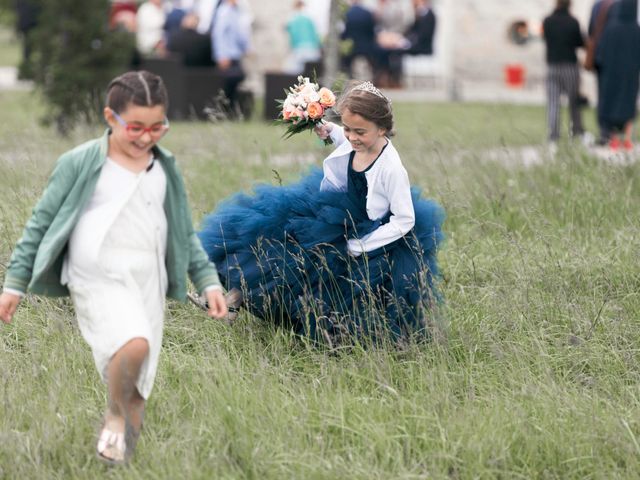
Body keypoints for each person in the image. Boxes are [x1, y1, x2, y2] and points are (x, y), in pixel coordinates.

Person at [0, 71, 228, 464]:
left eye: (158, 127)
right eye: (135, 127)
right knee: (133, 343)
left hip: (147, 279)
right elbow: (40, 223)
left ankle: (121, 460)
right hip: (96, 275)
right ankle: (114, 416)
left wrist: (207, 281)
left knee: (138, 383)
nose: (146, 136)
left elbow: (183, 231)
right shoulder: (81, 161)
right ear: (111, 118)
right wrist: (15, 283)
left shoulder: (164, 166)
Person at [198, 80, 445, 345]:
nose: (352, 137)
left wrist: (361, 245)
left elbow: (404, 219)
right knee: (278, 234)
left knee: (321, 268)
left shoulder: (392, 169)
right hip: (336, 212)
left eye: (359, 131)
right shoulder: (354, 140)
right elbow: (341, 138)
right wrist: (325, 127)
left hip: (372, 230)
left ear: (383, 129)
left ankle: (335, 331)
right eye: (348, 128)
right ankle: (235, 297)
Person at [595, 0, 640, 150]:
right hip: (630, 75)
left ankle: (613, 138)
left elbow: (601, 53)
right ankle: (627, 138)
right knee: (628, 105)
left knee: (611, 104)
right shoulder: (636, 29)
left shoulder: (611, 28)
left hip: (611, 74)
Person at [542, 0, 587, 146]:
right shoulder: (573, 22)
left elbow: (545, 39)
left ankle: (553, 135)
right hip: (569, 65)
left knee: (553, 102)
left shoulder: (547, 21)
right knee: (574, 101)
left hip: (552, 65)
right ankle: (577, 131)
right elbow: (580, 42)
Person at [211, 0, 250, 118]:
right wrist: (221, 55)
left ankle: (230, 111)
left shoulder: (236, 11)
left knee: (235, 82)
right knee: (228, 84)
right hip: (227, 55)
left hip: (235, 54)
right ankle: (221, 111)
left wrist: (246, 47)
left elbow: (239, 33)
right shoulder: (224, 11)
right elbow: (218, 34)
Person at [587, 0, 618, 145]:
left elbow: (590, 31)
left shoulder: (597, 6)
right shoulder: (620, 5)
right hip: (614, 57)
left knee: (602, 95)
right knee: (615, 94)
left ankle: (604, 131)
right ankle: (612, 131)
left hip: (600, 57)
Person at [283, 0, 322, 75]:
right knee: (311, 74)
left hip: (298, 49)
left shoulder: (292, 18)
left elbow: (291, 35)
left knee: (293, 73)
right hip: (312, 49)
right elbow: (317, 35)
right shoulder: (311, 17)